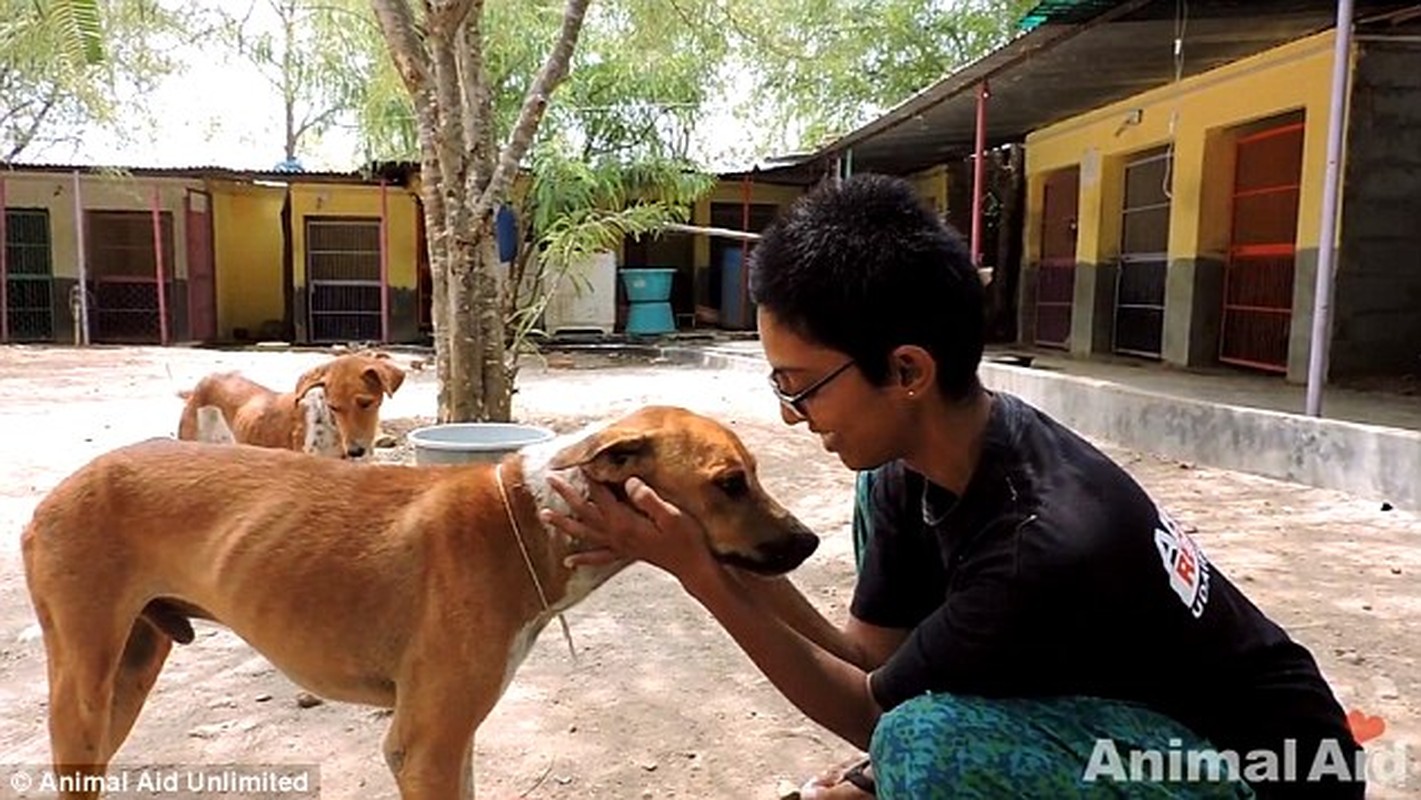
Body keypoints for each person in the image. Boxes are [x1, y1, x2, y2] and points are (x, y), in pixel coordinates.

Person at [539, 173, 1363, 799]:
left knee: (928, 747)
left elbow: (873, 712)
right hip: (1115, 718)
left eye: (800, 387)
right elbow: (874, 659)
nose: (793, 417)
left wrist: (698, 574)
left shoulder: (1044, 539)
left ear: (906, 370)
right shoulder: (909, 473)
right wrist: (712, 558)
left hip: (1269, 770)